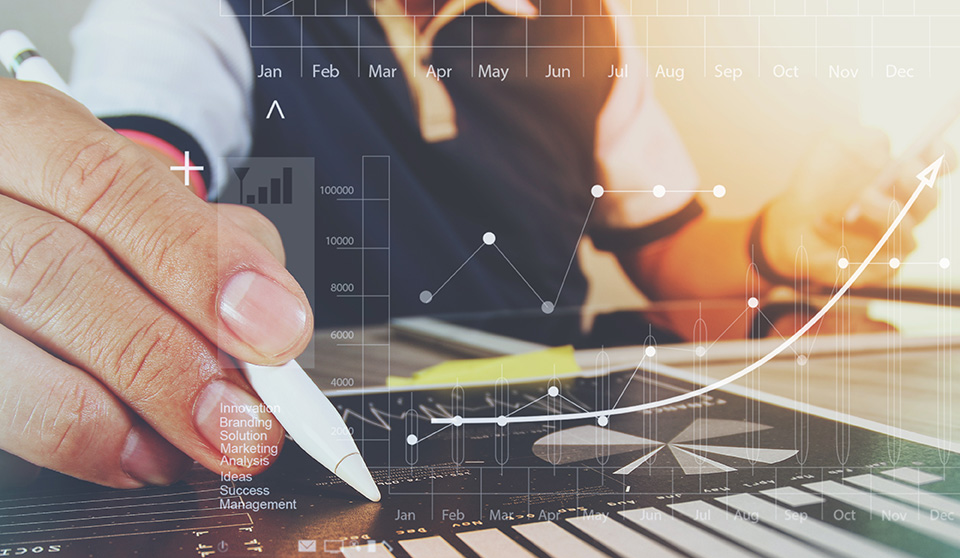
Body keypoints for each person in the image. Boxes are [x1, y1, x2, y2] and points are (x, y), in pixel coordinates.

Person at [0, 0, 946, 489]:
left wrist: (779, 248)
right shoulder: (200, 11)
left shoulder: (589, 26)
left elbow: (678, 256)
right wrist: (105, 222)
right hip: (322, 448)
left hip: (572, 436)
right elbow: (146, 172)